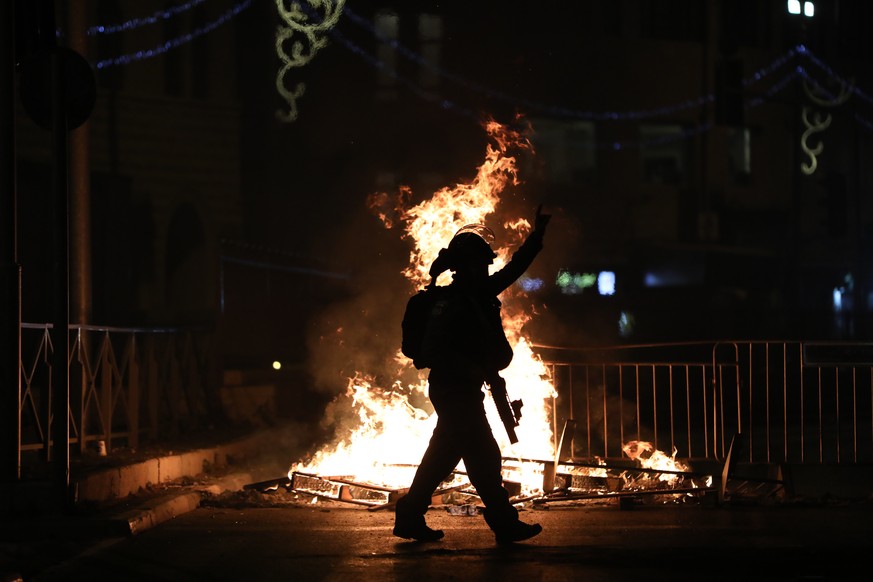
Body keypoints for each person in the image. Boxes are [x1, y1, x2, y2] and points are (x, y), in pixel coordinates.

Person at [393, 205, 551, 544]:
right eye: (480, 263)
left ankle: (408, 515)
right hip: (453, 388)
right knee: (483, 455)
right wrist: (472, 368)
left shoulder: (475, 295)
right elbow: (434, 351)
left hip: (463, 388)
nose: (486, 267)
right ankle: (504, 522)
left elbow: (514, 270)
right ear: (463, 267)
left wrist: (536, 238)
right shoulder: (449, 303)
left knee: (442, 456)